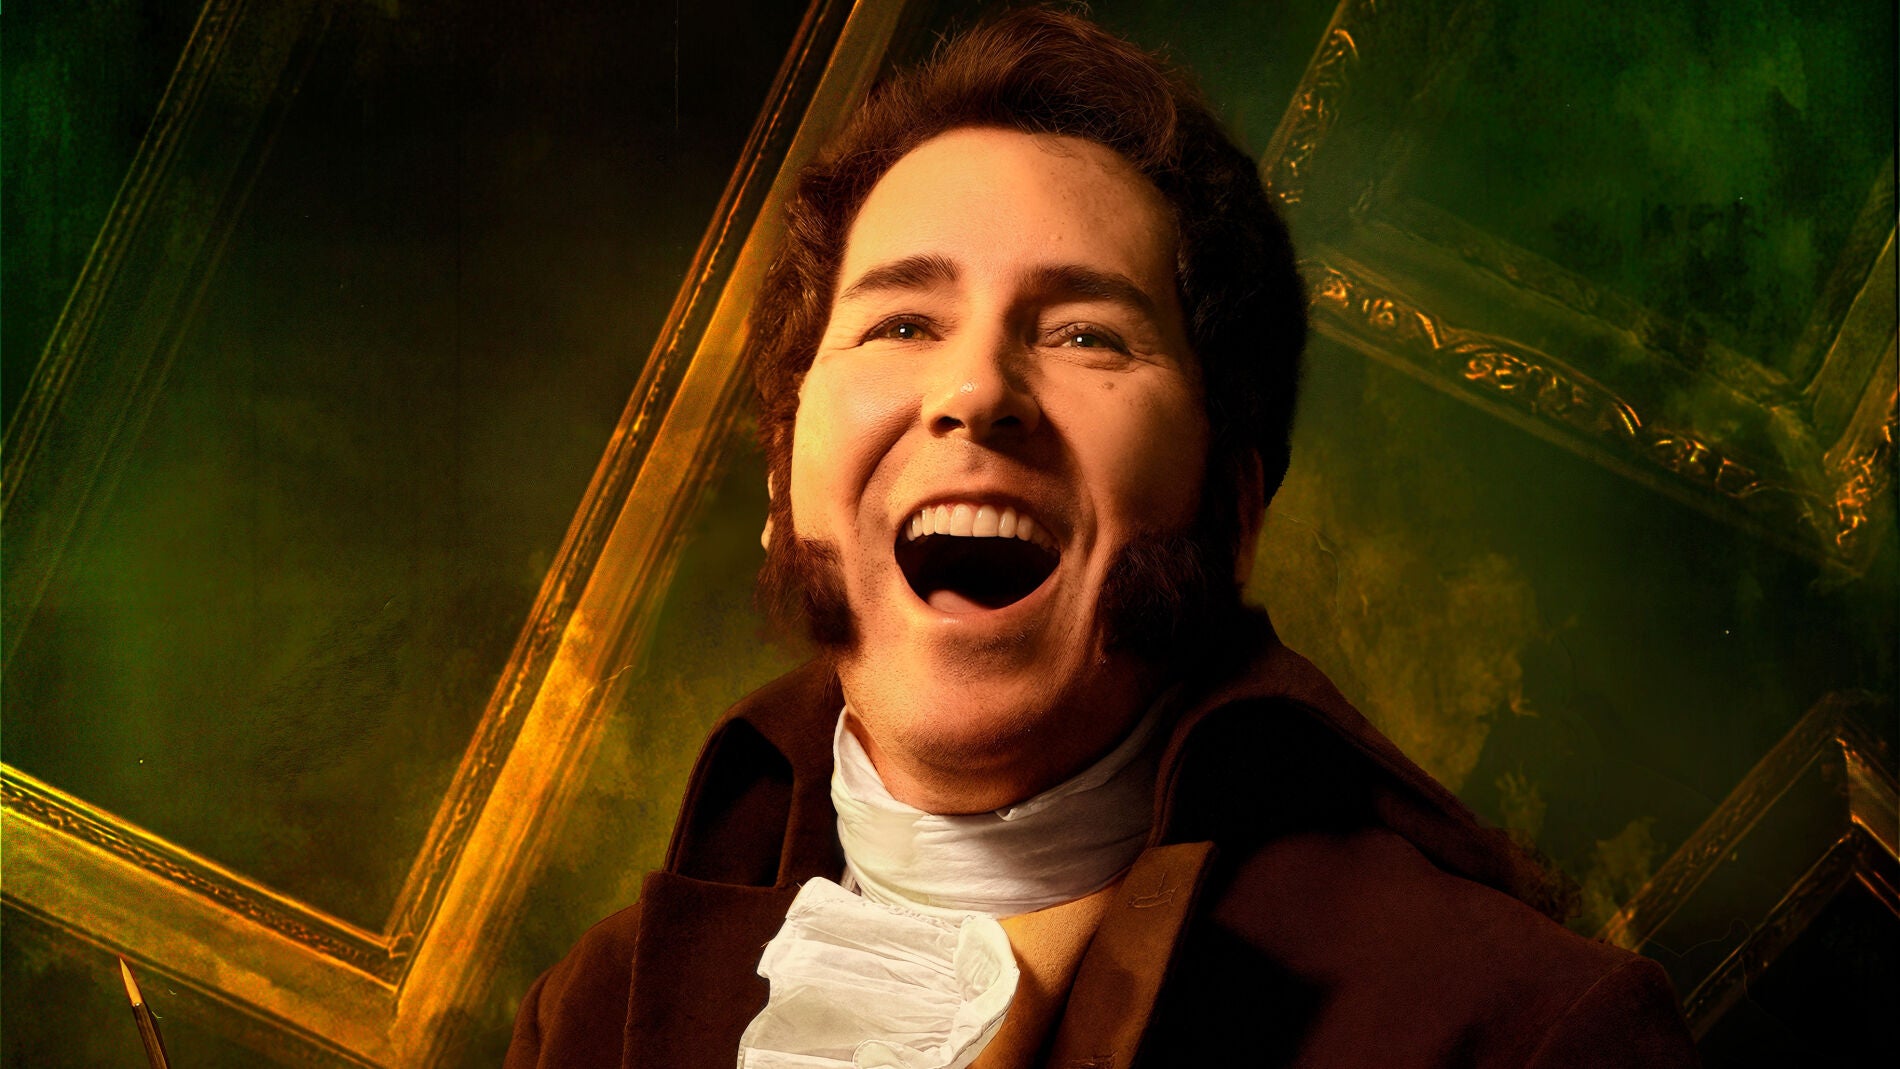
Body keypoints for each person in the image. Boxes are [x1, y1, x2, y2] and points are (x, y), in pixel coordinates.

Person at [506, 8, 1701, 1067]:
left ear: (1231, 513)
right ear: (781, 478)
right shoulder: (587, 1013)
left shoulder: (1523, 1030)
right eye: (903, 321)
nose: (977, 390)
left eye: (1085, 334)